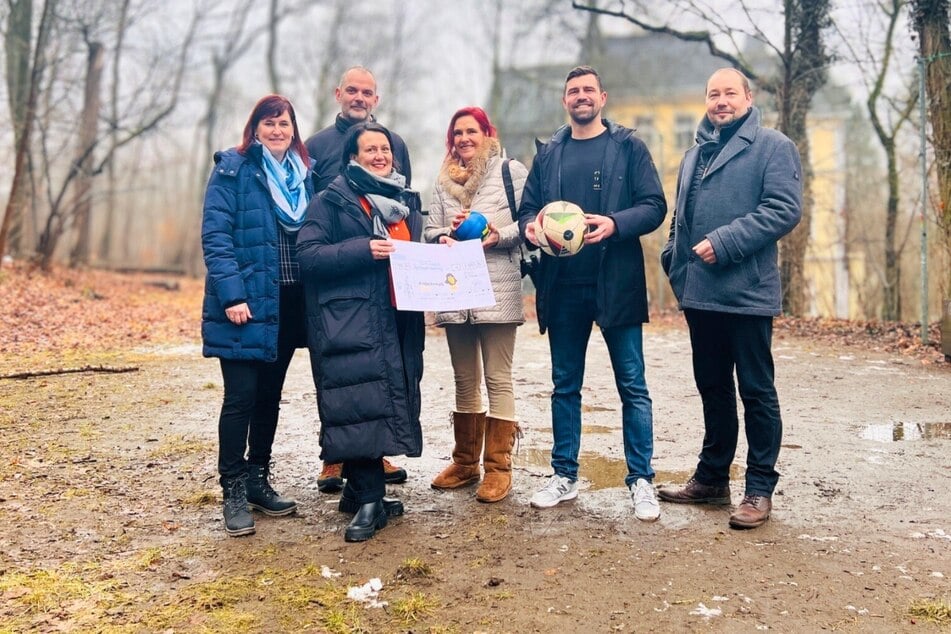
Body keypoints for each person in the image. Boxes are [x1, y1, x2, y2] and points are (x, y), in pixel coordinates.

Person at [517, 66, 667, 521]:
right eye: (572, 91)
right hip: (562, 287)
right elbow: (527, 209)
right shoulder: (550, 153)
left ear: (602, 97)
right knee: (565, 385)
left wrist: (616, 223)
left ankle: (641, 481)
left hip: (615, 283)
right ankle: (564, 475)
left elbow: (655, 205)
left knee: (633, 386)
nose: (581, 97)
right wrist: (531, 228)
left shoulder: (628, 147)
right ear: (566, 101)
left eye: (588, 90)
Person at [658, 68, 802, 529]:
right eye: (713, 94)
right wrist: (673, 262)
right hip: (699, 293)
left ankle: (759, 488)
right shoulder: (693, 154)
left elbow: (783, 209)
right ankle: (713, 478)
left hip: (747, 292)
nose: (721, 101)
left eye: (729, 94)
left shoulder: (774, 146)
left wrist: (725, 242)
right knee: (713, 387)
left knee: (756, 391)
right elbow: (682, 216)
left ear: (748, 97)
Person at [297, 122, 425, 542]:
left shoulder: (403, 201)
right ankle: (371, 500)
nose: (379, 155)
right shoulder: (331, 200)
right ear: (353, 157)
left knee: (384, 397)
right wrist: (363, 249)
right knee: (360, 401)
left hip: (396, 315)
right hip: (352, 320)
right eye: (369, 149)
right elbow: (309, 256)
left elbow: (413, 250)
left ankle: (357, 490)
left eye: (385, 148)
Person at [201, 94, 313, 537]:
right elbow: (216, 235)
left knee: (269, 397)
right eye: (269, 122)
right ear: (255, 127)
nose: (277, 130)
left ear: (293, 130)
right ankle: (231, 488)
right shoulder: (234, 169)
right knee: (241, 398)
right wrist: (232, 295)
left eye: (284, 123)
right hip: (245, 304)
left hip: (287, 303)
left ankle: (257, 479)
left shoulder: (305, 176)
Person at [304, 66, 412, 492]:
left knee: (379, 369)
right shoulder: (315, 146)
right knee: (339, 370)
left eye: (368, 92)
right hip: (337, 284)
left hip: (382, 282)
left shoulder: (394, 141)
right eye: (352, 90)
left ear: (376, 99)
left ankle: (375, 451)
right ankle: (334, 455)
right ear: (338, 93)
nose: (360, 97)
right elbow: (312, 216)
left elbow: (401, 204)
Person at [423, 107, 528, 503]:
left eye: (472, 131)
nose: (464, 139)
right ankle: (465, 463)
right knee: (464, 379)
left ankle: (498, 468)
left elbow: (529, 223)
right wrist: (443, 237)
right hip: (455, 291)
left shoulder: (509, 172)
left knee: (498, 378)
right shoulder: (442, 182)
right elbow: (430, 230)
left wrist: (496, 234)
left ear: (487, 133)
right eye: (458, 133)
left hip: (496, 287)